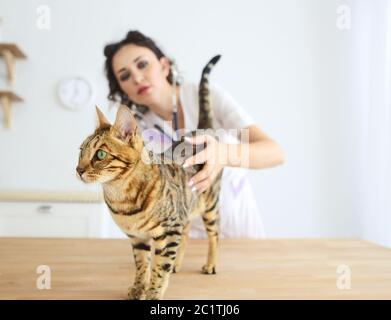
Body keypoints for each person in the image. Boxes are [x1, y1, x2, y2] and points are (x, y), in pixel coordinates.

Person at [103, 30, 285, 238]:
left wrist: (223, 155)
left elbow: (275, 153)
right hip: (186, 239)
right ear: (124, 90)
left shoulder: (204, 95)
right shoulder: (137, 131)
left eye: (142, 64)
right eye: (125, 76)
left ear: (164, 66)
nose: (136, 77)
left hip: (242, 230)